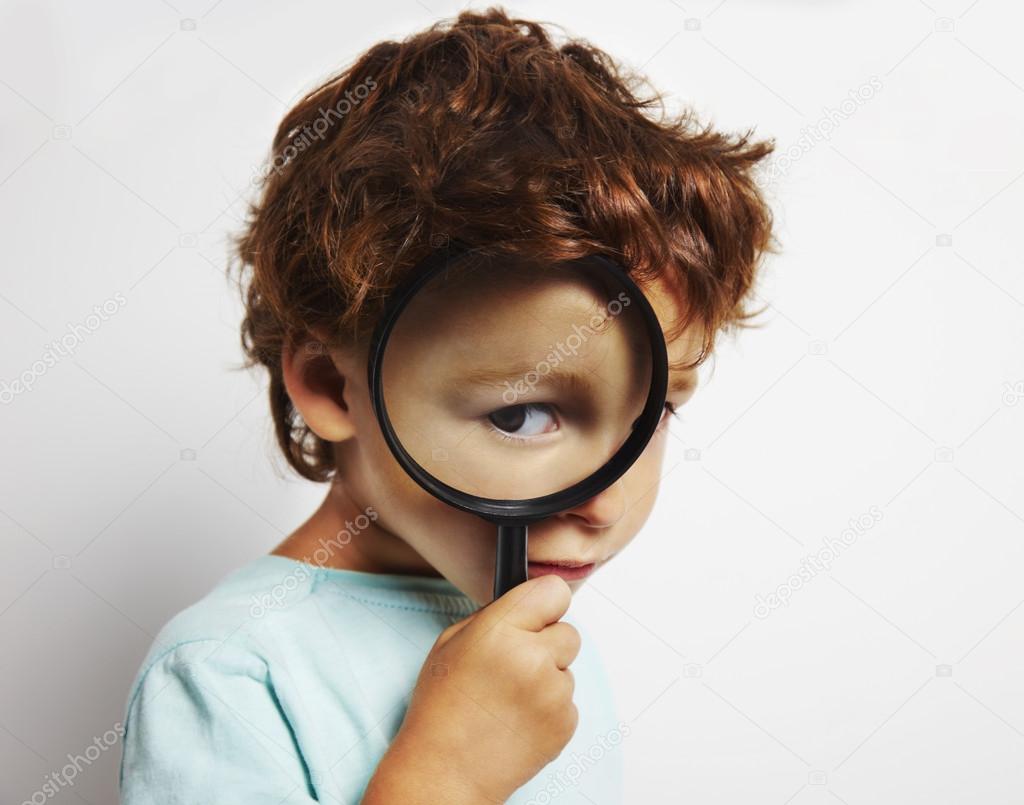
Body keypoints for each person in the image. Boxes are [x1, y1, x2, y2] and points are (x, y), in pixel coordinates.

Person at [118, 7, 776, 803]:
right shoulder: (228, 672)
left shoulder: (539, 642)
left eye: (655, 412)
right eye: (522, 415)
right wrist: (446, 776)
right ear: (333, 386)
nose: (605, 498)